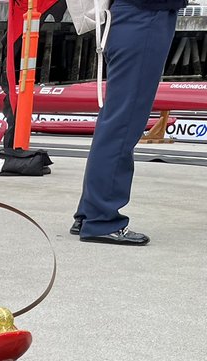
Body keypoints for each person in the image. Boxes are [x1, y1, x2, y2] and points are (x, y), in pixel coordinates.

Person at [72, 0, 187, 245]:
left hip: (131, 17)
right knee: (123, 124)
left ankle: (90, 212)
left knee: (115, 119)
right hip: (145, 15)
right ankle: (100, 218)